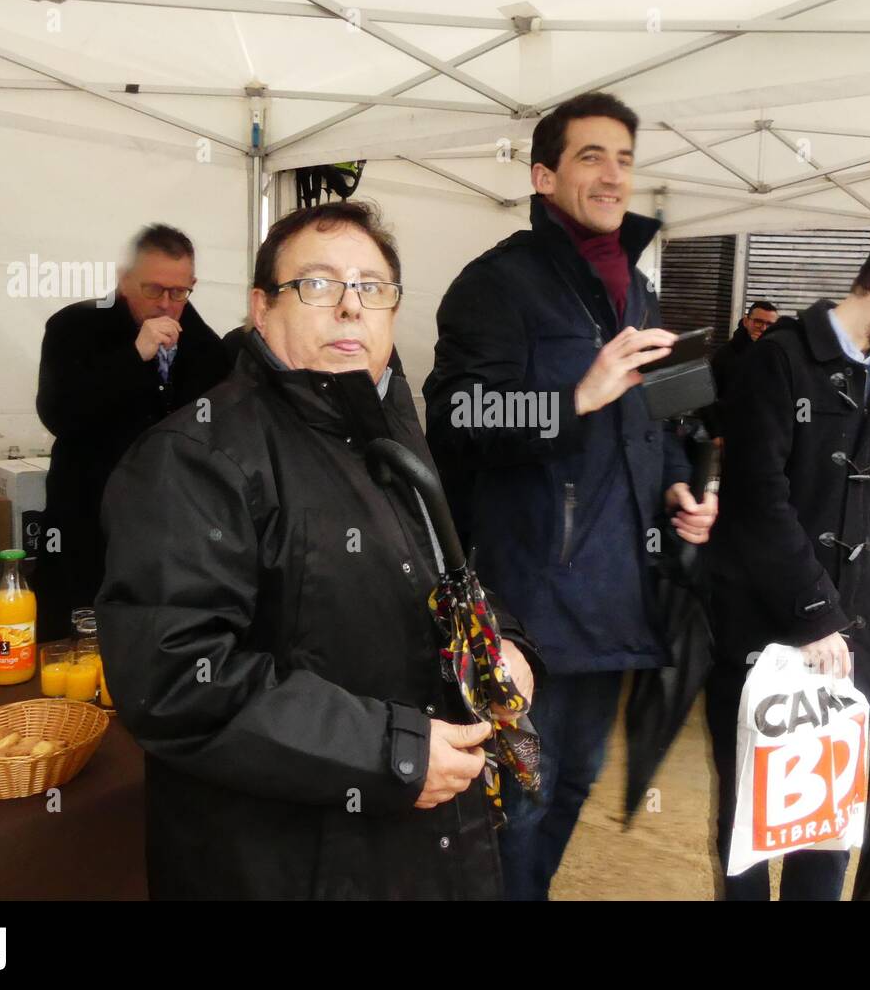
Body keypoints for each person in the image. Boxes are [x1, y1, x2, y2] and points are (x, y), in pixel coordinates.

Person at [96, 202, 538, 899]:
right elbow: (176, 679)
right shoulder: (194, 457)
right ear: (261, 308)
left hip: (422, 847)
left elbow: (444, 575)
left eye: (371, 288)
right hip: (288, 863)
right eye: (318, 284)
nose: (349, 308)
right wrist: (391, 750)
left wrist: (503, 643)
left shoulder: (391, 430)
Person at [422, 91, 717, 901]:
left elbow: (655, 421)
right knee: (522, 798)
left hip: (622, 591)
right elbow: (456, 414)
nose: (613, 174)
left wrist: (681, 488)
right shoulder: (498, 283)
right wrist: (571, 398)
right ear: (544, 174)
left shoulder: (637, 290)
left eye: (624, 157)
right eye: (592, 156)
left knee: (576, 781)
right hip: (535, 601)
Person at [707, 222, 870, 901]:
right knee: (753, 826)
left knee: (826, 831)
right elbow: (757, 505)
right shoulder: (778, 362)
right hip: (761, 638)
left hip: (849, 641)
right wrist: (816, 612)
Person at [35, 224, 229, 640]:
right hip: (87, 525)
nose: (166, 304)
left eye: (178, 293)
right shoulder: (74, 328)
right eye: (153, 289)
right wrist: (133, 357)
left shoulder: (210, 350)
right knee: (76, 646)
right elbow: (58, 414)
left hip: (169, 535)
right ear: (124, 282)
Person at [702, 300, 779, 439]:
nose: (763, 328)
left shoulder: (778, 354)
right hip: (732, 434)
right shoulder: (726, 354)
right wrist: (716, 433)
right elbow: (706, 396)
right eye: (758, 322)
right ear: (746, 321)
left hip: (766, 436)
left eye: (769, 324)